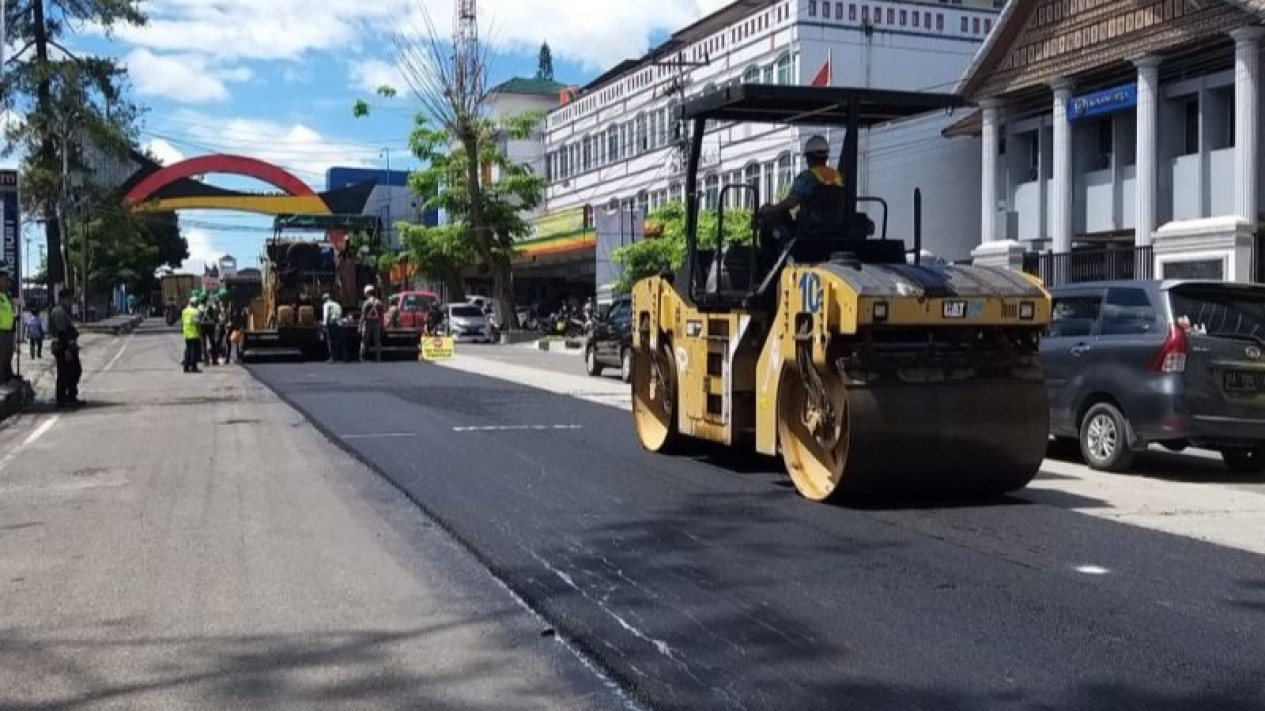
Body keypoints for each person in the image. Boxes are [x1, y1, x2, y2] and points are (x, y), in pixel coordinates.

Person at [49, 288, 82, 406]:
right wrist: (66, 349)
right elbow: (62, 333)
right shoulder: (58, 312)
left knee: (74, 371)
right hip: (62, 347)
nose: (70, 301)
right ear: (62, 299)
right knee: (65, 373)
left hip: (69, 346)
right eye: (69, 299)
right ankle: (62, 398)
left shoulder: (64, 311)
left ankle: (70, 396)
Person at [0, 264, 15, 383]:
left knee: (7, 358)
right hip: (0, 333)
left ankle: (7, 378)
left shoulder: (6, 296)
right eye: (5, 280)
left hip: (8, 332)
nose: (8, 284)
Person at [360, 285, 383, 362]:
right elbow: (381, 315)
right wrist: (382, 325)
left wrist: (360, 326)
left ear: (367, 293)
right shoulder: (379, 303)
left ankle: (363, 358)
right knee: (377, 342)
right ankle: (378, 358)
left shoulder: (366, 303)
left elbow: (363, 316)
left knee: (364, 341)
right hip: (377, 324)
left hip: (367, 324)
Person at [182, 296, 202, 373]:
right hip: (194, 332)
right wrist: (199, 333)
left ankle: (186, 367)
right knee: (194, 350)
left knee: (188, 350)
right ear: (195, 303)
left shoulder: (184, 311)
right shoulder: (196, 312)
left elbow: (183, 322)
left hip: (186, 332)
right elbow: (197, 323)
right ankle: (193, 367)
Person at [322, 293, 343, 363]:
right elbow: (340, 314)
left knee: (330, 341)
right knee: (337, 341)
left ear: (324, 299)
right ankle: (337, 356)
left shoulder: (326, 305)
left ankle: (332, 358)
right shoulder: (337, 304)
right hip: (339, 323)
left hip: (332, 324)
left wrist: (324, 325)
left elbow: (326, 315)